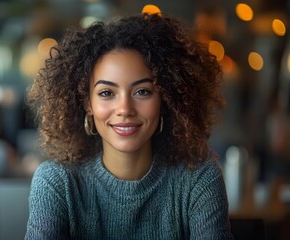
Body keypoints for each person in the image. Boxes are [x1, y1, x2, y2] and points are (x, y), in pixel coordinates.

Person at [25, 13, 233, 239]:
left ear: (165, 99)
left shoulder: (198, 178)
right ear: (88, 104)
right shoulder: (57, 183)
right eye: (106, 93)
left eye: (142, 91)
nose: (124, 109)